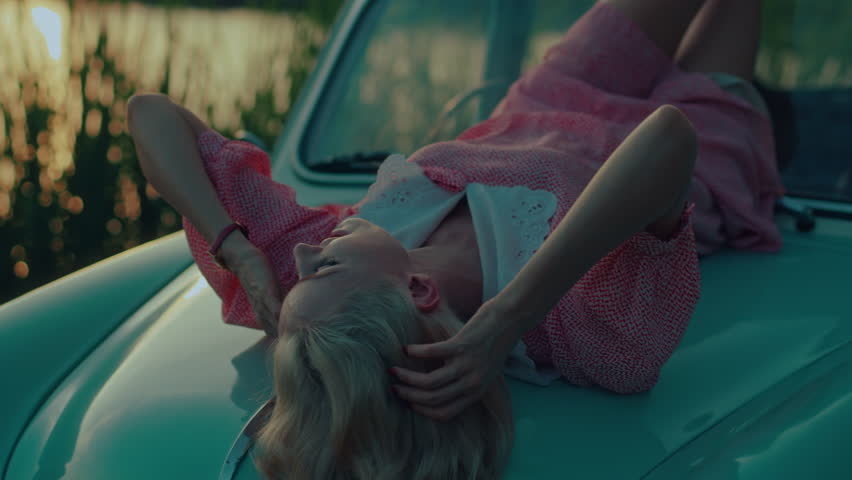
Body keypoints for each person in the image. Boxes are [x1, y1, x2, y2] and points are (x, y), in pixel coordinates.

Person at [126, 0, 783, 478]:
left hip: (549, 97)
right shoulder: (590, 332)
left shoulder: (330, 275)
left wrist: (234, 245)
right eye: (321, 268)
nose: (299, 256)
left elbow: (149, 114)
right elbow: (670, 138)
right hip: (700, 156)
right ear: (417, 288)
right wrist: (511, 314)